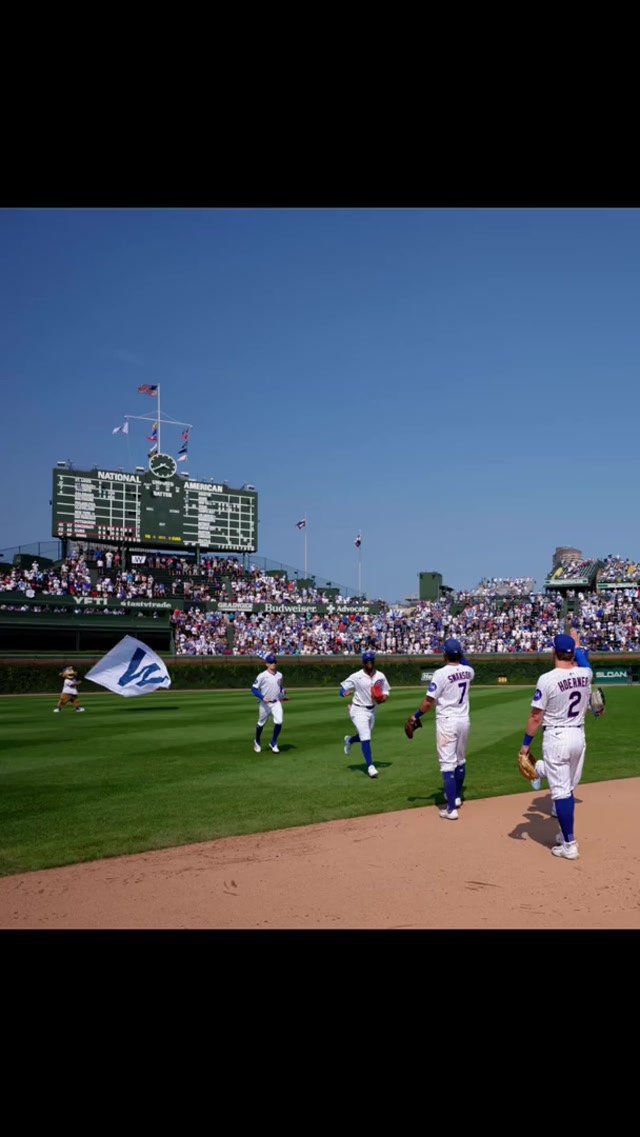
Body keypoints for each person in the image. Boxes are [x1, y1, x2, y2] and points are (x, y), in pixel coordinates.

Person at [518, 628, 593, 860]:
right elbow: (583, 661)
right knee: (567, 789)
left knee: (561, 793)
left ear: (554, 652)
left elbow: (535, 718)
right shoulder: (586, 673)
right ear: (572, 654)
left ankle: (569, 844)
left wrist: (525, 745)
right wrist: (578, 645)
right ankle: (564, 834)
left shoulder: (547, 679)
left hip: (557, 737)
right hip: (578, 737)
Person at [406, 638, 474, 819]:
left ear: (444, 654)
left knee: (447, 764)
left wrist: (416, 716)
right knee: (460, 760)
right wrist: (458, 652)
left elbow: (429, 702)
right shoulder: (468, 671)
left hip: (447, 721)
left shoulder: (440, 674)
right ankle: (457, 797)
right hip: (464, 720)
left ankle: (451, 809)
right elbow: (465, 662)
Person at [340, 650, 391, 778]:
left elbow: (386, 692)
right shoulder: (356, 676)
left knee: (365, 736)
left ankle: (350, 740)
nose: (370, 663)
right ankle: (370, 766)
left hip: (372, 710)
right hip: (358, 709)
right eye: (367, 661)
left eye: (372, 660)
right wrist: (343, 693)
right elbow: (342, 688)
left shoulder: (380, 676)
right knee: (366, 736)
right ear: (363, 662)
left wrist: (383, 699)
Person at [251, 654, 286, 753]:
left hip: (276, 703)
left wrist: (283, 692)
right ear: (266, 664)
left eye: (275, 662)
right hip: (265, 704)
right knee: (261, 723)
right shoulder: (262, 675)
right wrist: (262, 697)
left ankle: (273, 742)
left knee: (279, 721)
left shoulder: (279, 675)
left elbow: (279, 687)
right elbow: (253, 689)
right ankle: (257, 740)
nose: (273, 664)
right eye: (271, 662)